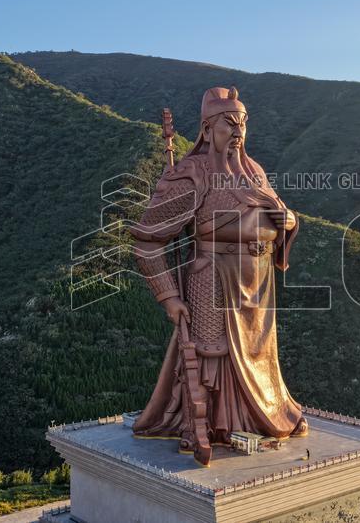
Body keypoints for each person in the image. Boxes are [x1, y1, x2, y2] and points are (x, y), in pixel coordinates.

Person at [131, 87, 308, 457]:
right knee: (214, 354)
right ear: (207, 130)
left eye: (242, 123)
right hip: (213, 277)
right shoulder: (193, 176)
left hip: (258, 283)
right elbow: (147, 241)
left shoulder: (254, 172)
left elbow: (284, 215)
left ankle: (262, 414)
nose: (238, 131)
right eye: (229, 123)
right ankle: (215, 424)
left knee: (260, 357)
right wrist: (169, 296)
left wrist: (287, 221)